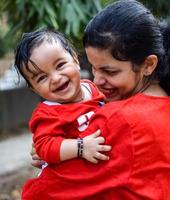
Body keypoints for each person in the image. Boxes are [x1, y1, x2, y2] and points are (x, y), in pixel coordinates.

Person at [23, 0, 170, 199]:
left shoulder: (120, 119)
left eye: (110, 71)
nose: (97, 81)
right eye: (93, 68)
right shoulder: (168, 102)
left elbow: (40, 193)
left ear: (148, 64)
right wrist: (56, 149)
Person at [14, 28, 112, 169]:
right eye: (42, 78)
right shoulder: (48, 113)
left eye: (60, 65)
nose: (55, 78)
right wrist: (80, 147)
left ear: (75, 60)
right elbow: (43, 146)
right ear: (34, 89)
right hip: (74, 179)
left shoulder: (93, 88)